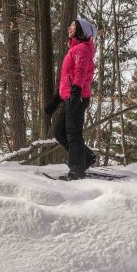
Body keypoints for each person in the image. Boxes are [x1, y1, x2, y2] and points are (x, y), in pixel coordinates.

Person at [44, 16, 98, 179]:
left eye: (73, 26)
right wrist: (56, 100)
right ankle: (87, 157)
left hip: (78, 97)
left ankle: (76, 170)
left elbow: (80, 73)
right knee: (60, 132)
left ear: (81, 31)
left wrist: (75, 94)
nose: (69, 27)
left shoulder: (81, 49)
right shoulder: (74, 49)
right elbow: (67, 78)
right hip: (70, 96)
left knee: (73, 133)